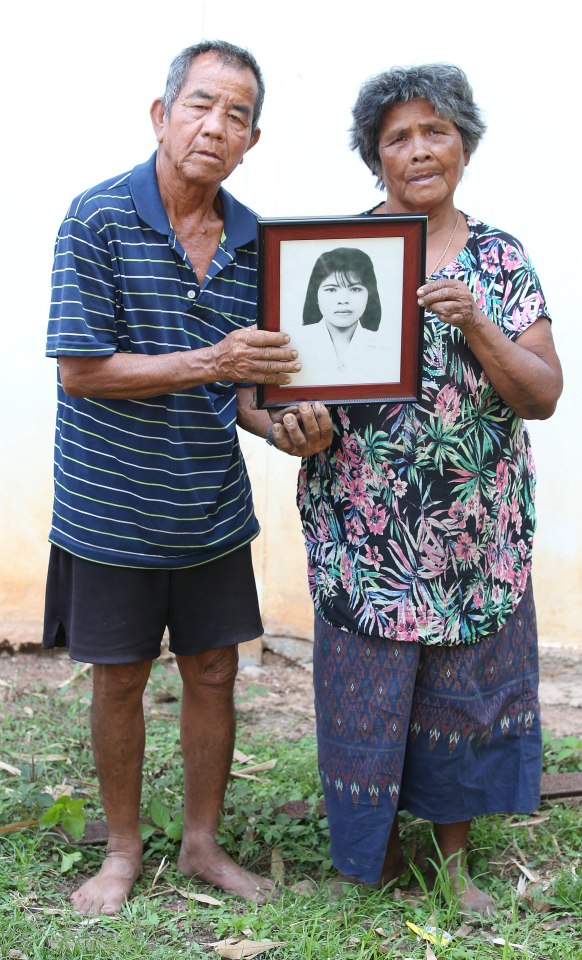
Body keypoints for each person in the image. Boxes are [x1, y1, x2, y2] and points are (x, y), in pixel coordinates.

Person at [43, 39, 332, 917]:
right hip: (109, 508)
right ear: (162, 115)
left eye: (236, 114)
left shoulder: (257, 244)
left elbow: (247, 390)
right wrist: (212, 361)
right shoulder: (95, 218)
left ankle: (202, 844)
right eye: (202, 104)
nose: (216, 125)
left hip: (209, 508)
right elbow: (81, 371)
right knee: (120, 677)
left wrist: (286, 425)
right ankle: (123, 850)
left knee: (214, 671)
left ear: (252, 139)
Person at [296, 63, 563, 914]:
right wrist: (288, 420)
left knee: (463, 691)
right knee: (365, 692)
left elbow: (544, 395)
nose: (419, 149)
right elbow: (281, 381)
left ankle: (454, 862)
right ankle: (366, 858)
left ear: (465, 145)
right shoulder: (334, 253)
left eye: (436, 130)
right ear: (374, 157)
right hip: (366, 527)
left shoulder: (500, 258)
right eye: (398, 137)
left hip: (470, 531)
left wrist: (477, 321)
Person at [286, 246, 401, 387]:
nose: (343, 300)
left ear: (369, 295)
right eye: (332, 289)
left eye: (355, 289)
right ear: (315, 295)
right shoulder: (292, 345)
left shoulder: (389, 350)